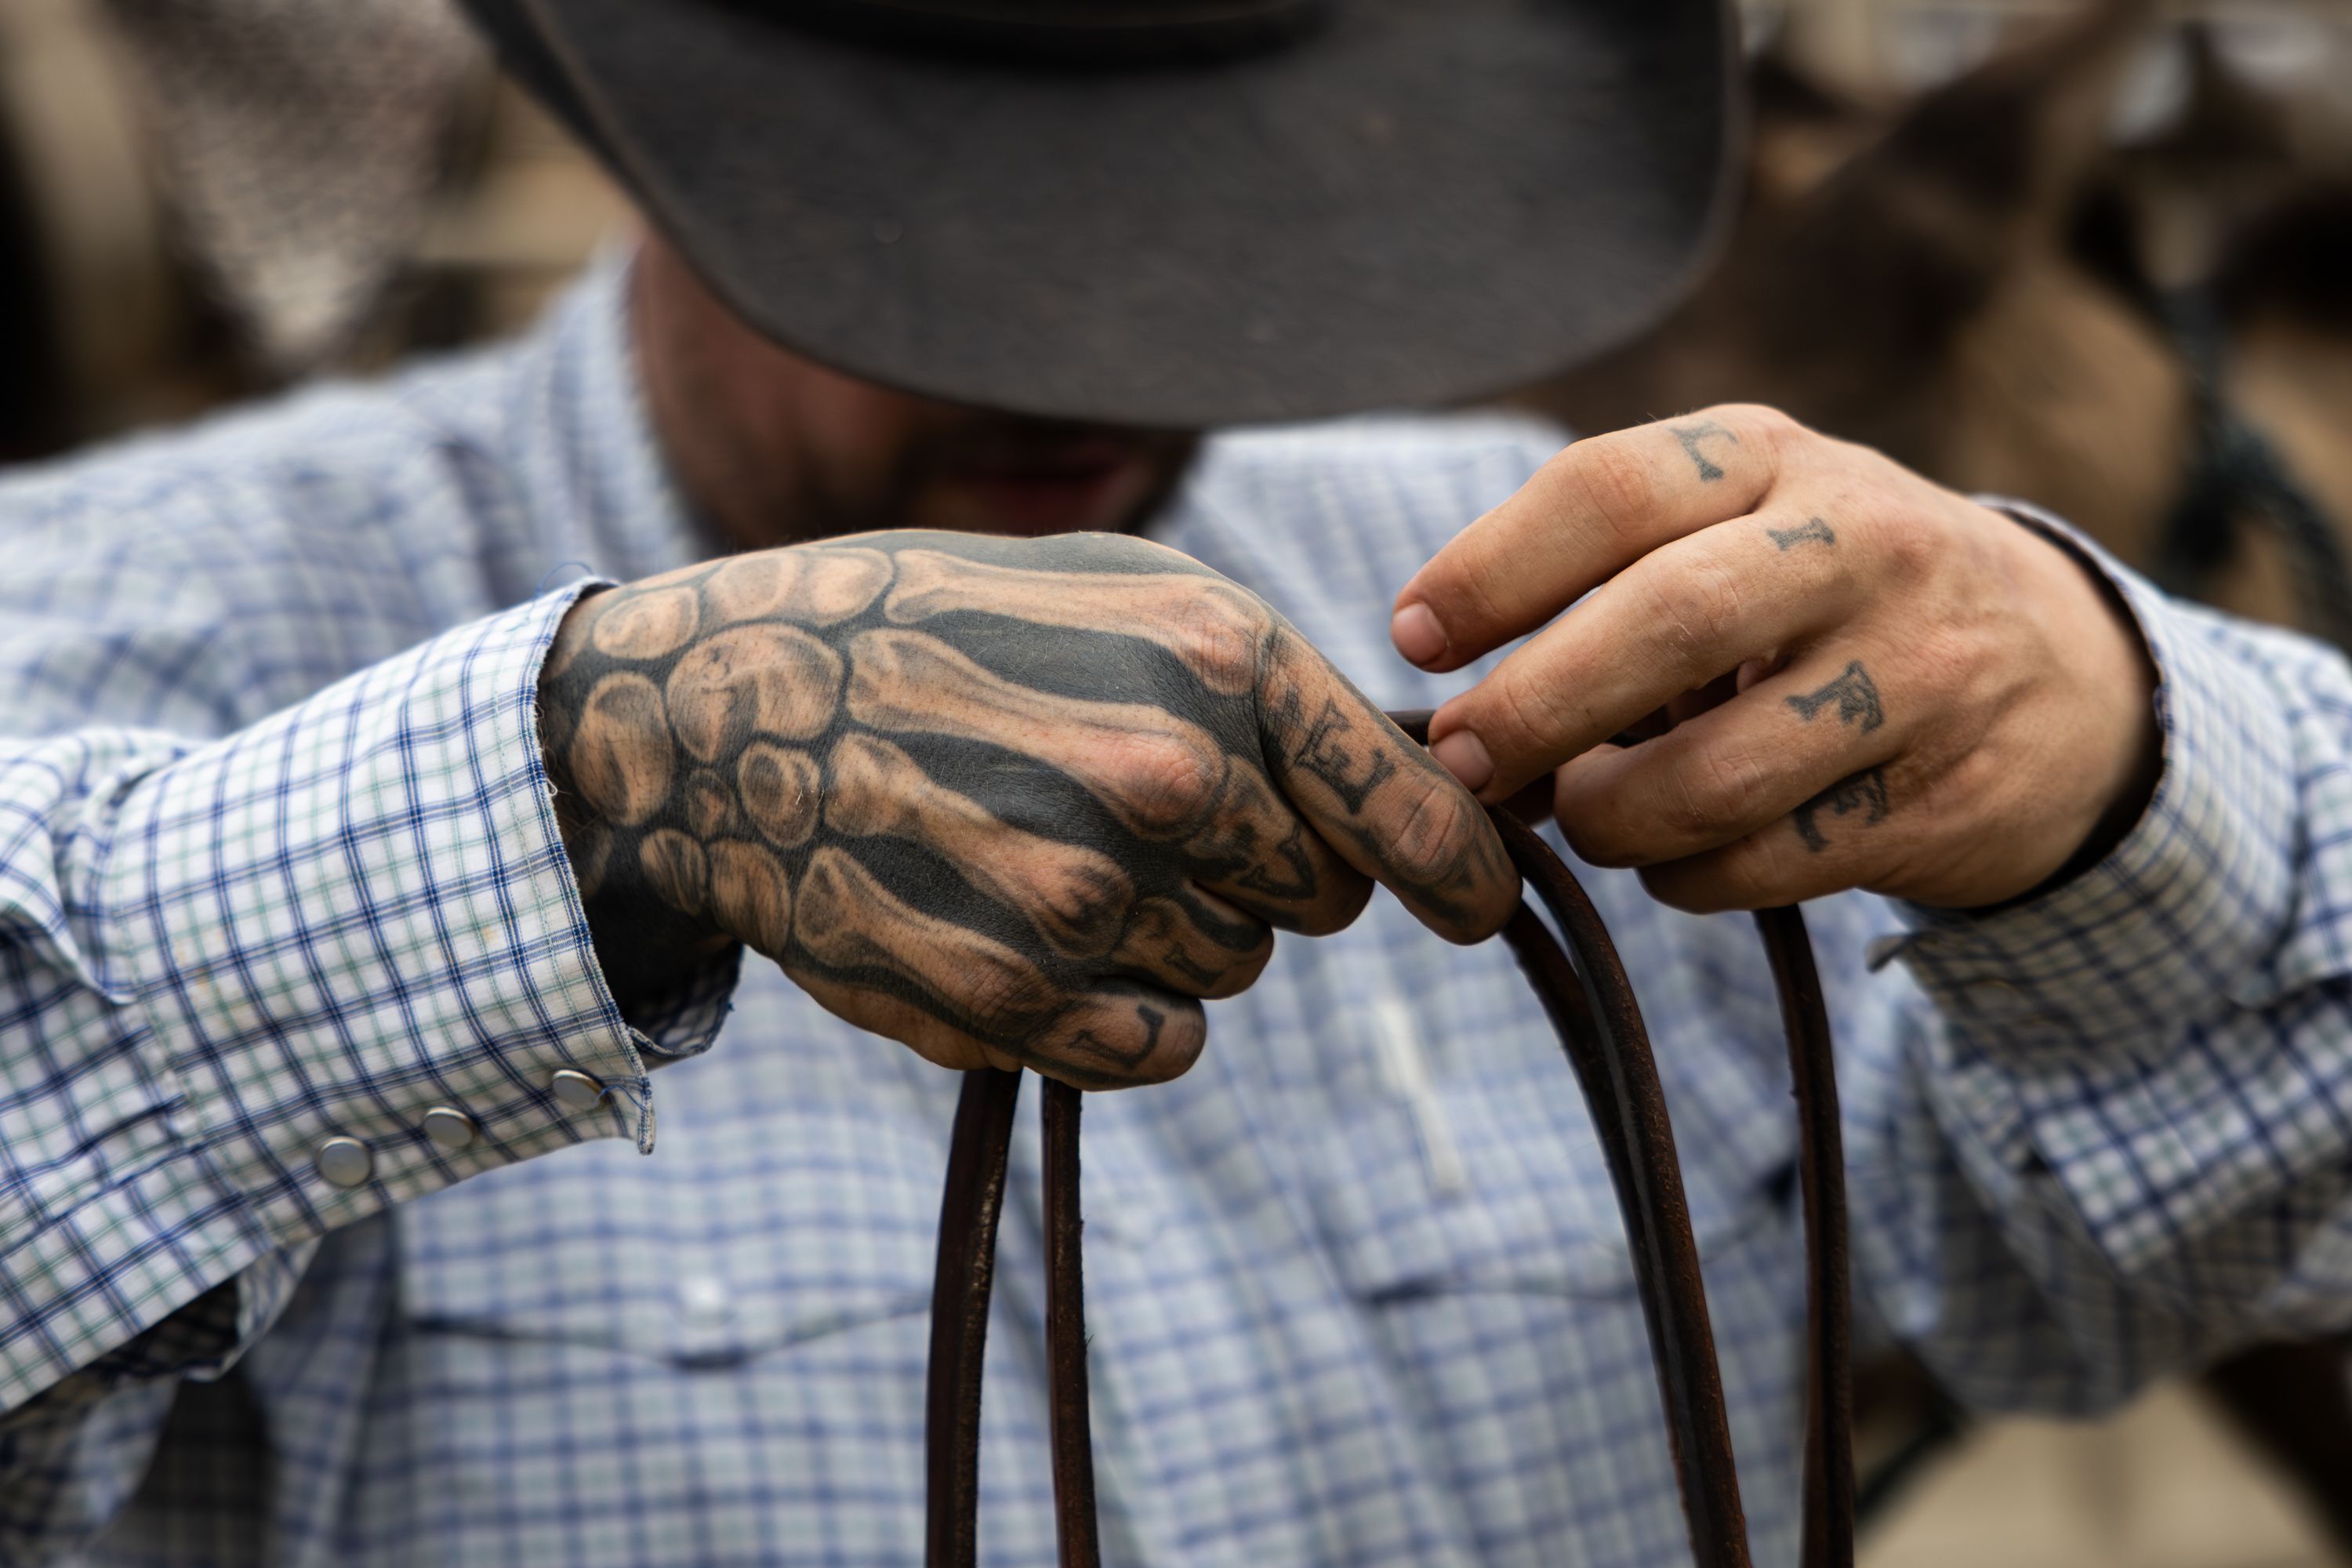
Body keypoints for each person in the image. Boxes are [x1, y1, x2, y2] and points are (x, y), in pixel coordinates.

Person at [0, 2, 2344, 1564]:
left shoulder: (1529, 568)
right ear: (670, 149)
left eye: (1198, 241)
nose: (1090, 363)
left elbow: (2224, 1180)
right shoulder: (139, 615)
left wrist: (2130, 756)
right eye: (946, 254)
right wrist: (575, 788)